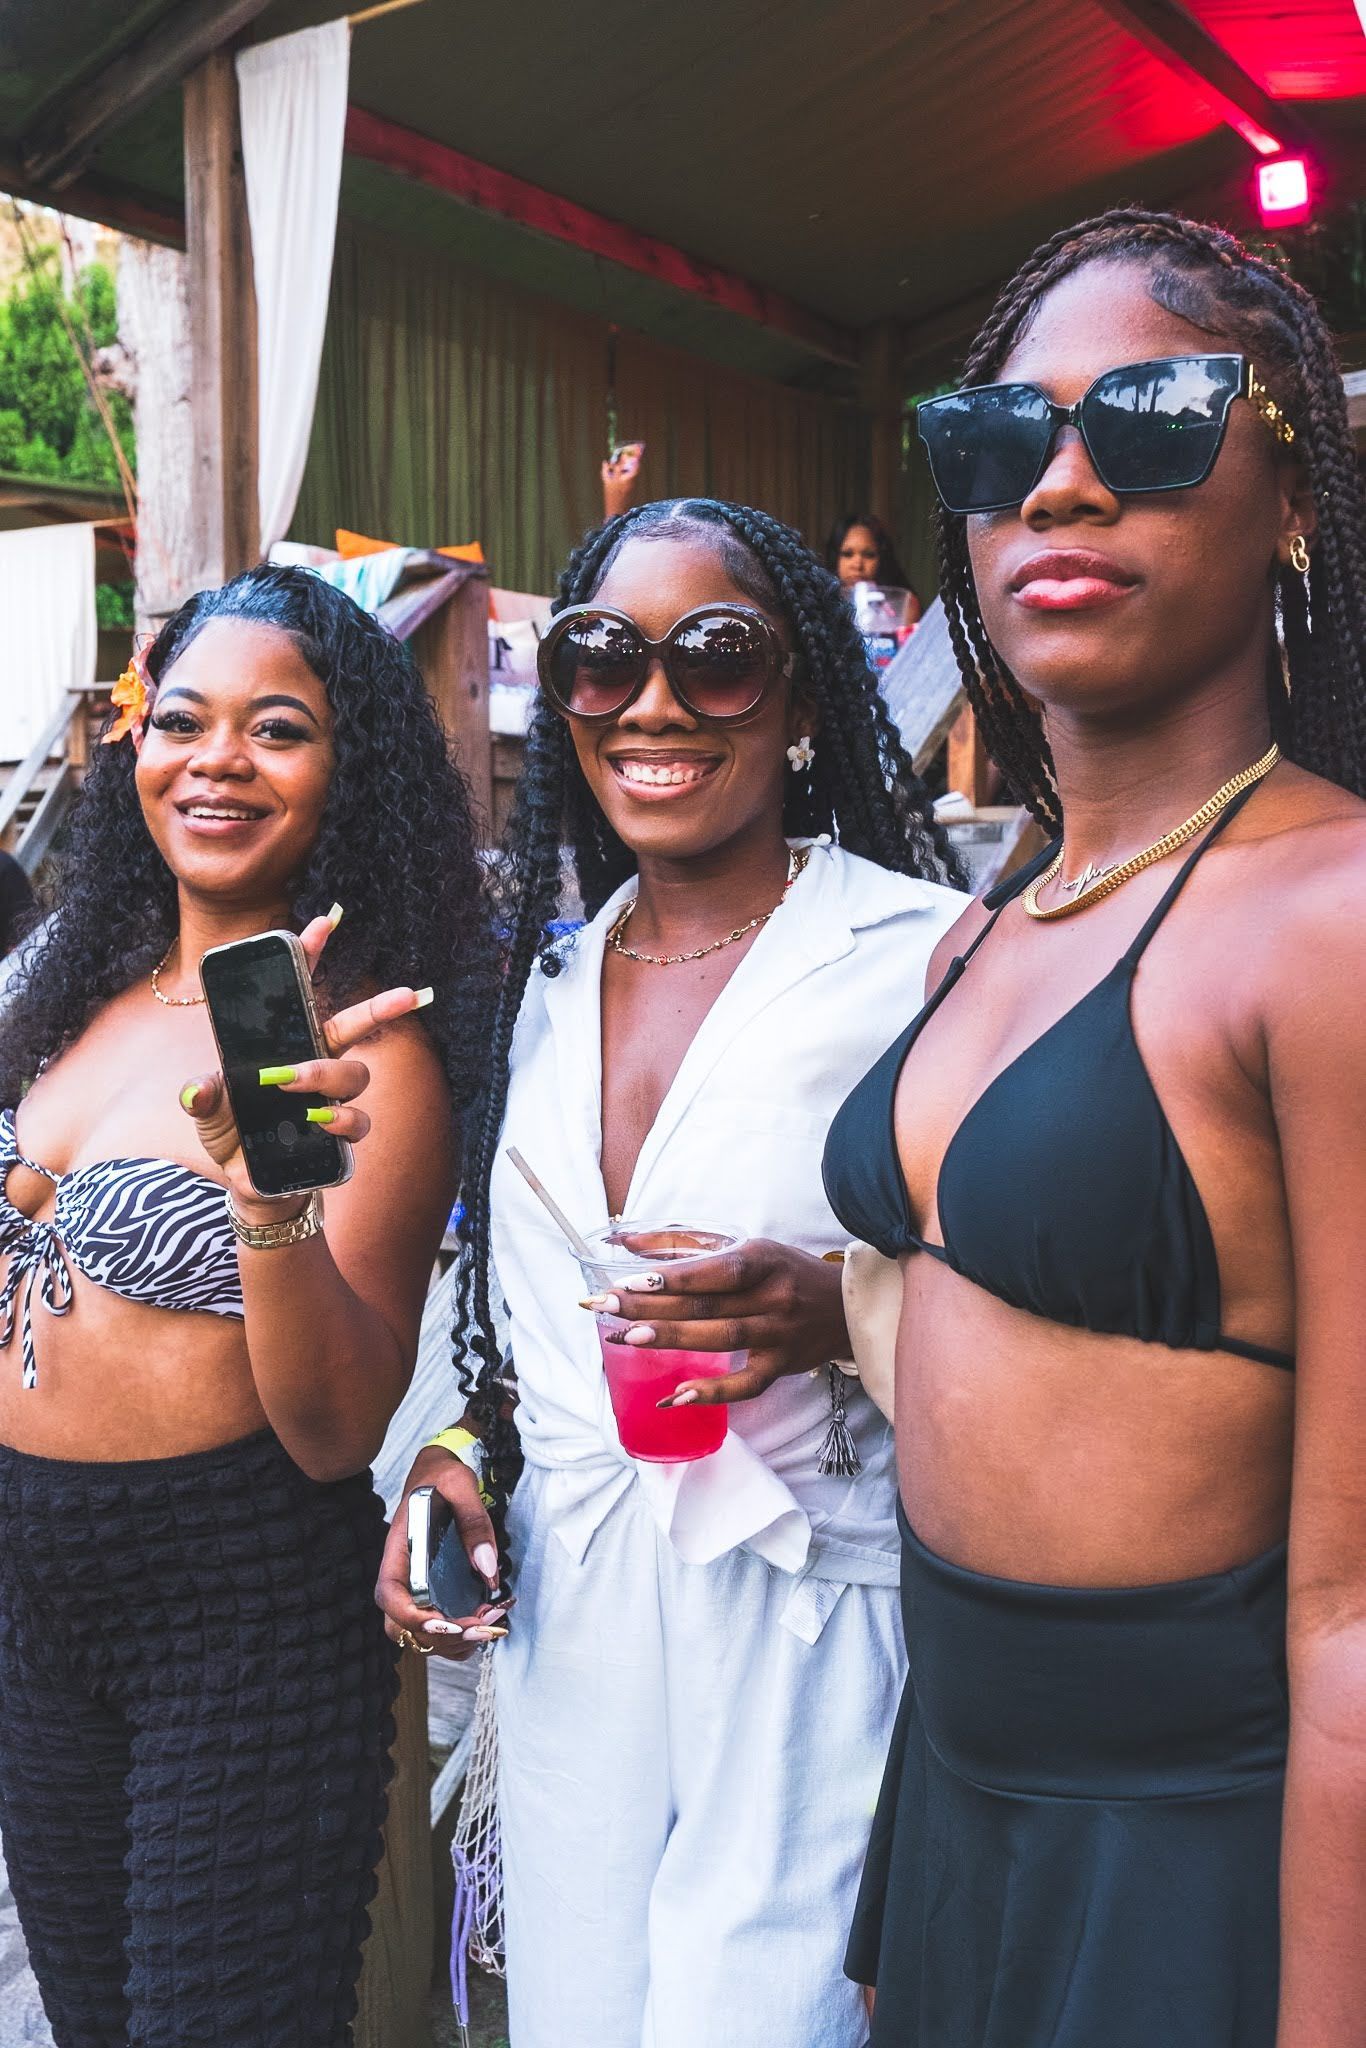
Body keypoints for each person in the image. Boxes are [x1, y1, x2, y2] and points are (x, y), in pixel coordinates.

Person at [822, 207, 1366, 2046]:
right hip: (957, 1813)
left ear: (1291, 500)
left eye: (1147, 421)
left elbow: (1352, 1611)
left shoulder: (1329, 922)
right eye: (997, 440)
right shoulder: (988, 926)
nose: (1057, 485)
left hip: (1190, 1866)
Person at [376, 497, 966, 2047]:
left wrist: (840, 1310)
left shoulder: (926, 957)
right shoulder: (537, 990)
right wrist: (458, 1457)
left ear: (800, 697)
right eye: (601, 658)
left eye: (714, 656)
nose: (651, 703)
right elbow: (513, 1326)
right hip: (572, 1636)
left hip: (814, 1630)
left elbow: (1056, 1314)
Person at [0, 565, 499, 2048]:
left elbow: (336, 1425)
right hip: (34, 1592)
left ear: (348, 772)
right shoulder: (61, 990)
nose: (215, 760)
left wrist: (269, 1186)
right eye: (183, 721)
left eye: (276, 729)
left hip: (235, 1605)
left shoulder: (348, 1040)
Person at [825, 511, 921, 619]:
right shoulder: (820, 603)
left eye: (869, 555)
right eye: (848, 554)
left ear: (882, 557)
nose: (858, 565)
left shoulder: (904, 605)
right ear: (835, 557)